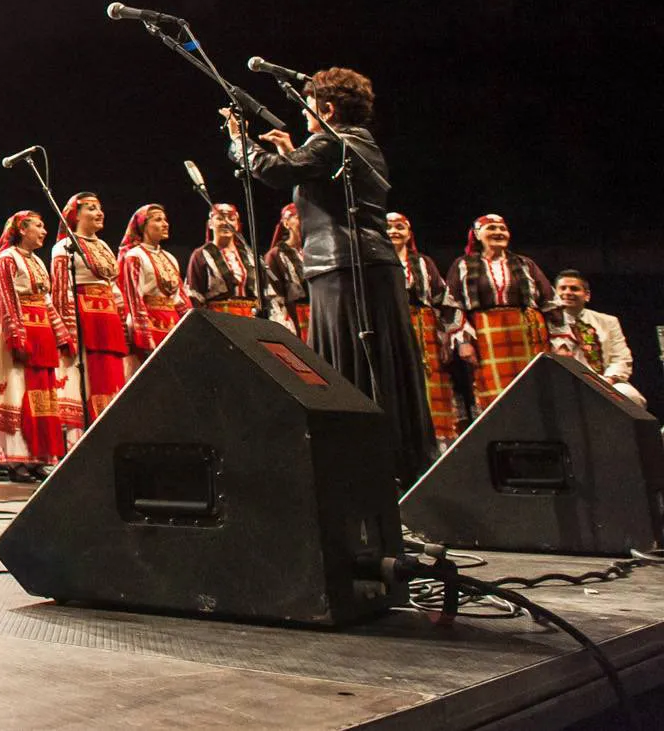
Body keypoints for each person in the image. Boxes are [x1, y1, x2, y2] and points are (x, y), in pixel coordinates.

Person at [229, 67, 436, 485]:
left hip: (343, 268)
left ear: (325, 108)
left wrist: (238, 141)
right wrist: (293, 149)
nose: (304, 114)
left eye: (308, 108)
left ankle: (361, 469)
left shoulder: (330, 142)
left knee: (347, 366)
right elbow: (318, 178)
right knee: (384, 366)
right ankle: (402, 465)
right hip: (373, 266)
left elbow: (274, 172)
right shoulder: (360, 142)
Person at [0, 211, 77, 479]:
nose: (44, 231)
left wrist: (62, 334)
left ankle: (39, 456)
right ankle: (17, 460)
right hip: (18, 329)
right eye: (38, 226)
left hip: (41, 330)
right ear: (22, 230)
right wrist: (17, 335)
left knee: (42, 396)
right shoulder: (6, 259)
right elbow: (5, 297)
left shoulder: (36, 261)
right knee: (17, 391)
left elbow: (46, 300)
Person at [446, 214, 560, 415]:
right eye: (491, 228)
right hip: (487, 337)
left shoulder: (525, 264)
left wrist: (560, 341)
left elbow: (550, 302)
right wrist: (463, 341)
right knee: (494, 393)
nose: (498, 233)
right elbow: (454, 306)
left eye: (502, 229)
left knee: (534, 390)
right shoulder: (463, 265)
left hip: (528, 335)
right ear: (477, 235)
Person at [47, 192, 129, 420]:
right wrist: (67, 333)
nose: (99, 213)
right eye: (91, 208)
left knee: (114, 375)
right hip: (86, 321)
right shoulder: (64, 247)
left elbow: (113, 286)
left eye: (99, 207)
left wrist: (124, 325)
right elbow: (61, 292)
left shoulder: (103, 246)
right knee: (92, 378)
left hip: (109, 320)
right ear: (75, 215)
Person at [386, 212, 460, 444]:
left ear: (409, 234)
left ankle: (436, 440)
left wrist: (448, 336)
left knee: (431, 382)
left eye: (400, 227)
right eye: (388, 227)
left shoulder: (423, 263)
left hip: (423, 327)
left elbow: (442, 300)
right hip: (388, 326)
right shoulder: (371, 263)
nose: (394, 232)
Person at [551, 271, 646, 407]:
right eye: (563, 288)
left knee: (630, 396)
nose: (568, 292)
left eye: (574, 289)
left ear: (587, 295)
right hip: (566, 384)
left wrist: (607, 381)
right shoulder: (547, 323)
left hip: (605, 381)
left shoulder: (608, 321)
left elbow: (621, 358)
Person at [117, 205, 183, 369]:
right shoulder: (134, 256)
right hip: (150, 325)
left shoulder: (170, 258)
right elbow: (134, 299)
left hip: (173, 325)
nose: (165, 224)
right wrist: (145, 337)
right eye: (158, 219)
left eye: (165, 219)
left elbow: (180, 299)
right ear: (143, 226)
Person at [181, 204, 264, 318]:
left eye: (231, 219)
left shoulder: (249, 254)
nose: (226, 223)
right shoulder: (201, 255)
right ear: (210, 224)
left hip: (251, 320)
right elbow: (194, 296)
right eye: (220, 218)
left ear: (237, 224)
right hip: (219, 320)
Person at [264, 203, 309, 338]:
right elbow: (274, 297)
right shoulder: (274, 256)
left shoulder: (315, 251)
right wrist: (284, 328)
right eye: (298, 217)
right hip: (296, 318)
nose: (303, 222)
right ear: (286, 223)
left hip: (319, 314)